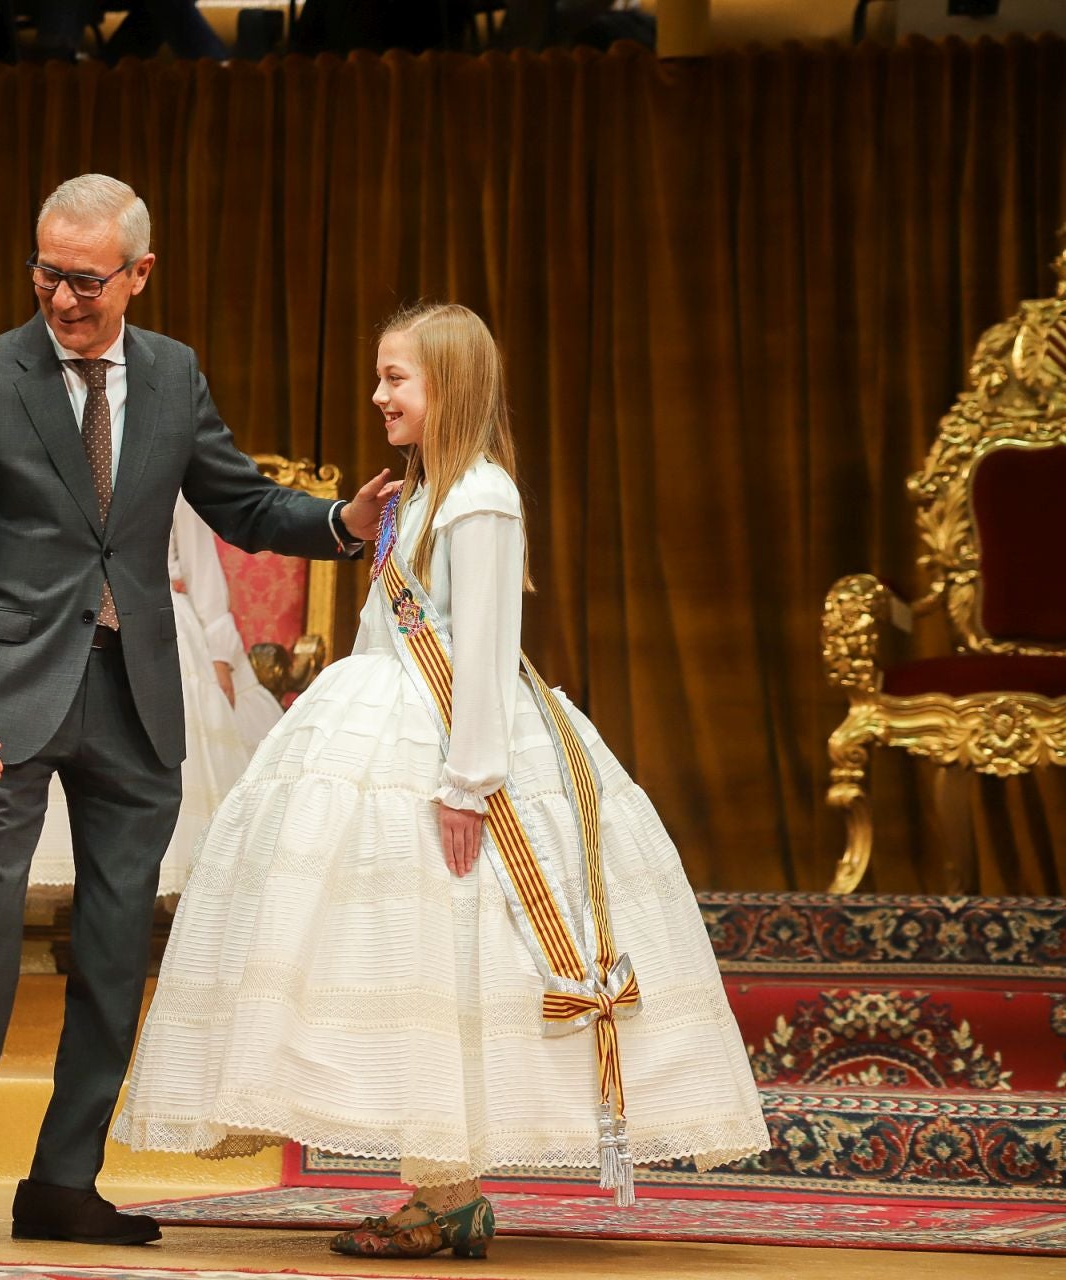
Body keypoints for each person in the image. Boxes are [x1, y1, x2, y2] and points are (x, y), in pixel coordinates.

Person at [112, 303, 768, 1259]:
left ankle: (447, 1191)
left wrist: (469, 786)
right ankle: (442, 1187)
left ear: (449, 387)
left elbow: (489, 648)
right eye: (379, 377)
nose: (378, 395)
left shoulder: (481, 498)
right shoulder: (417, 495)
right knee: (396, 954)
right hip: (375, 724)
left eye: (397, 379)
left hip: (450, 749)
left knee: (447, 951)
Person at [0, 173, 393, 1247]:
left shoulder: (172, 374)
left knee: (116, 949)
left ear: (138, 274)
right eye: (46, 273)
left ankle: (63, 1180)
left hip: (136, 700)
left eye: (85, 278)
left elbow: (243, 502)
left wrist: (342, 521)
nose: (63, 297)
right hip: (4, 698)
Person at [0, 496, 277, 911]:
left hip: (150, 634)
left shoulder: (164, 449)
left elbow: (204, 571)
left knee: (131, 833)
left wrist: (220, 652)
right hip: (40, 633)